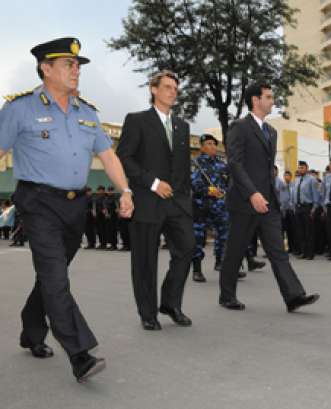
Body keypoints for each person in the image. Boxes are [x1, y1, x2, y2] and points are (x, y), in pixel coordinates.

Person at [0, 37, 134, 382]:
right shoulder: (19, 109)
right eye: (68, 65)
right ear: (46, 69)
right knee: (56, 278)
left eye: (78, 66)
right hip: (38, 203)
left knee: (50, 277)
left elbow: (108, 156)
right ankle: (79, 354)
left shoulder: (87, 113)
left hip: (76, 206)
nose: (76, 71)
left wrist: (125, 190)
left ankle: (32, 331)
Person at [218, 81, 319, 312]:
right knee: (236, 249)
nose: (273, 101)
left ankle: (293, 296)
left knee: (277, 251)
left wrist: (268, 195)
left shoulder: (271, 132)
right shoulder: (239, 127)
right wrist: (252, 193)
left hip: (269, 202)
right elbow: (234, 162)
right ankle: (226, 295)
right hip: (245, 200)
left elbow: (266, 168)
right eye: (269, 97)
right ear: (256, 100)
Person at [116, 70, 195, 330]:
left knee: (186, 249)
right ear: (153, 89)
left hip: (177, 203)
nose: (173, 92)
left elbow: (183, 167)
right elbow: (124, 158)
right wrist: (152, 183)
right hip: (148, 201)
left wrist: (185, 197)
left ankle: (171, 303)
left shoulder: (182, 126)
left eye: (175, 88)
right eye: (167, 87)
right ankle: (147, 313)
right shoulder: (137, 120)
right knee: (145, 260)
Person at [191, 133, 229, 282]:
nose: (212, 146)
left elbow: (229, 182)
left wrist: (225, 192)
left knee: (224, 235)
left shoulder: (221, 164)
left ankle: (221, 263)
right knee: (199, 237)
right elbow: (195, 184)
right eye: (208, 144)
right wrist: (211, 191)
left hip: (220, 206)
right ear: (202, 147)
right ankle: (197, 269)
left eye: (214, 144)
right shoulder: (196, 163)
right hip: (202, 205)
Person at [292, 161, 321, 260]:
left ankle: (310, 253)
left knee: (309, 231)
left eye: (302, 168)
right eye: (299, 168)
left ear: (307, 168)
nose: (300, 169)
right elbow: (294, 194)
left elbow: (316, 196)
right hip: (298, 207)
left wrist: (313, 209)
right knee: (300, 232)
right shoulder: (297, 179)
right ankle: (303, 252)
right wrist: (294, 206)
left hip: (307, 207)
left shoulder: (312, 180)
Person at [94, 185, 107, 249]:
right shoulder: (96, 198)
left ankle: (104, 244)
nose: (100, 191)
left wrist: (104, 210)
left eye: (102, 190)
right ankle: (101, 243)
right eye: (99, 190)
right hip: (98, 216)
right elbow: (96, 207)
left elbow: (105, 206)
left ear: (104, 191)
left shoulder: (106, 197)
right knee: (99, 231)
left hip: (104, 217)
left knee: (104, 231)